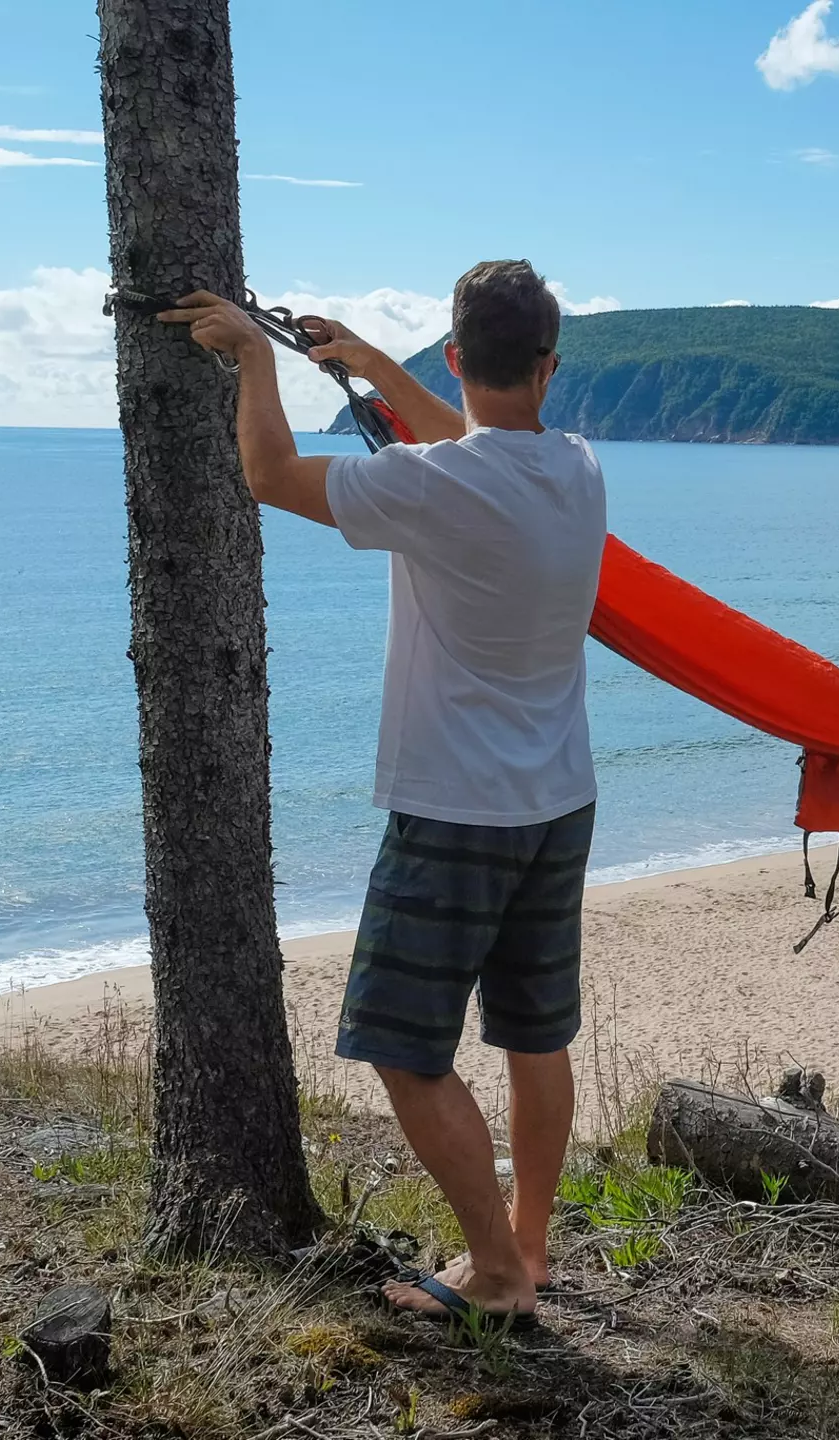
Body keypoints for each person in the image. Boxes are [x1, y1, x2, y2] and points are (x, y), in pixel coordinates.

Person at [162, 261, 606, 1326]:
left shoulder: (429, 485)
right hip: (558, 796)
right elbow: (480, 437)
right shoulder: (579, 469)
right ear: (548, 367)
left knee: (402, 1050)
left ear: (455, 356)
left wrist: (256, 358)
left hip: (456, 807)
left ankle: (495, 1274)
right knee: (534, 1035)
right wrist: (360, 362)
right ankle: (529, 1246)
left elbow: (268, 473)